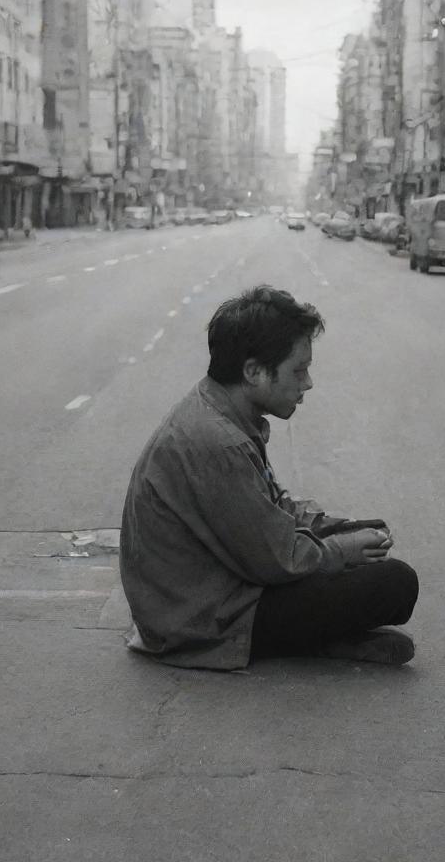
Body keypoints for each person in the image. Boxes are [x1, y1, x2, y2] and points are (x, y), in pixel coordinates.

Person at [119, 285, 419, 670]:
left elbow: (269, 507)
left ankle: (324, 639)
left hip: (210, 595)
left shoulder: (220, 411)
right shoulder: (219, 442)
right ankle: (316, 642)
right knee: (395, 583)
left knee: (358, 556)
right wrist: (343, 551)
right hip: (199, 622)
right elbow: (276, 561)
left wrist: (338, 529)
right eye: (298, 370)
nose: (307, 383)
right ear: (254, 372)